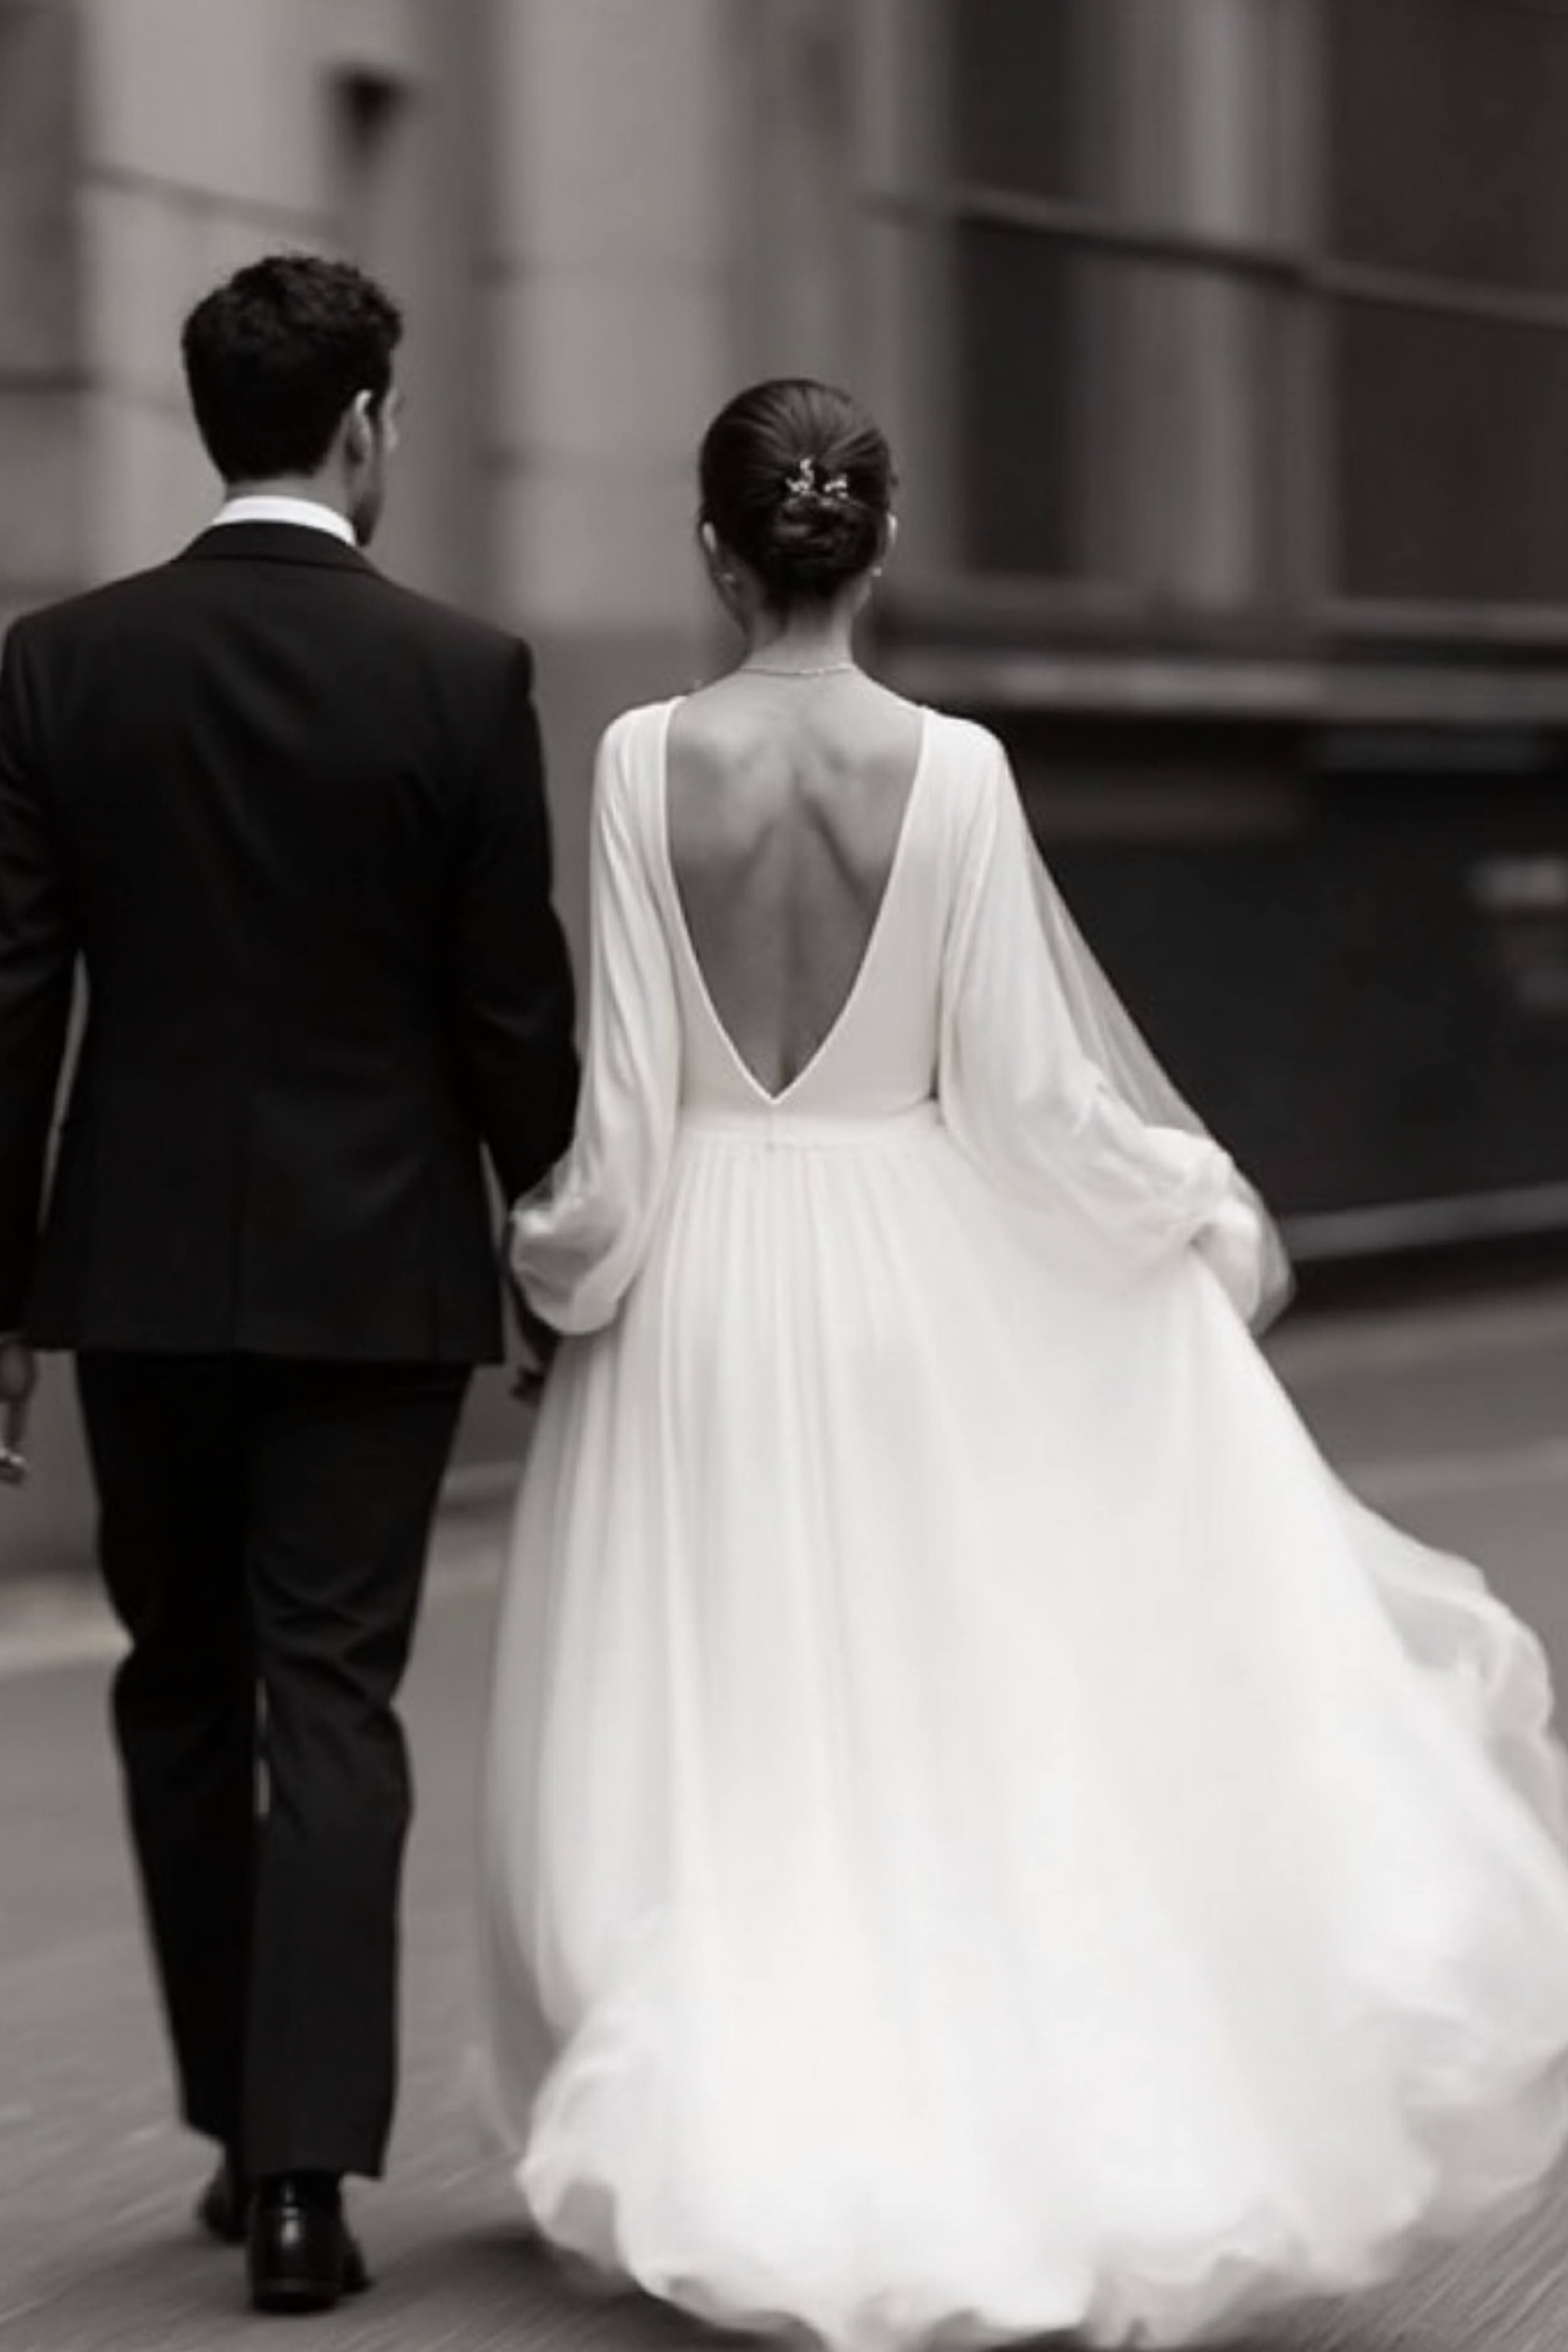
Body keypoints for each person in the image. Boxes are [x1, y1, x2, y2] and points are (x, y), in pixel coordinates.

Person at [476, 376, 1568, 2352]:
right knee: (896, 1698)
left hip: (709, 1285)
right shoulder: (956, 772)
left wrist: (548, 1265)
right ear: (872, 546)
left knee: (731, 1716)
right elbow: (1034, 1102)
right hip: (898, 1276)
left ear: (714, 552)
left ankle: (736, 2086)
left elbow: (624, 1122)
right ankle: (918, 2070)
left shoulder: (638, 761)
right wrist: (1194, 1209)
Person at [0, 252, 578, 2314]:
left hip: (140, 1269)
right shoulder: (462, 669)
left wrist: (1, 1299)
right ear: (367, 425)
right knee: (329, 1693)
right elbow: (510, 1004)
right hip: (376, 1272)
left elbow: (14, 1009)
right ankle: (314, 2189)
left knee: (177, 1686)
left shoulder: (60, 664)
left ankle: (238, 2131)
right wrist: (550, 1227)